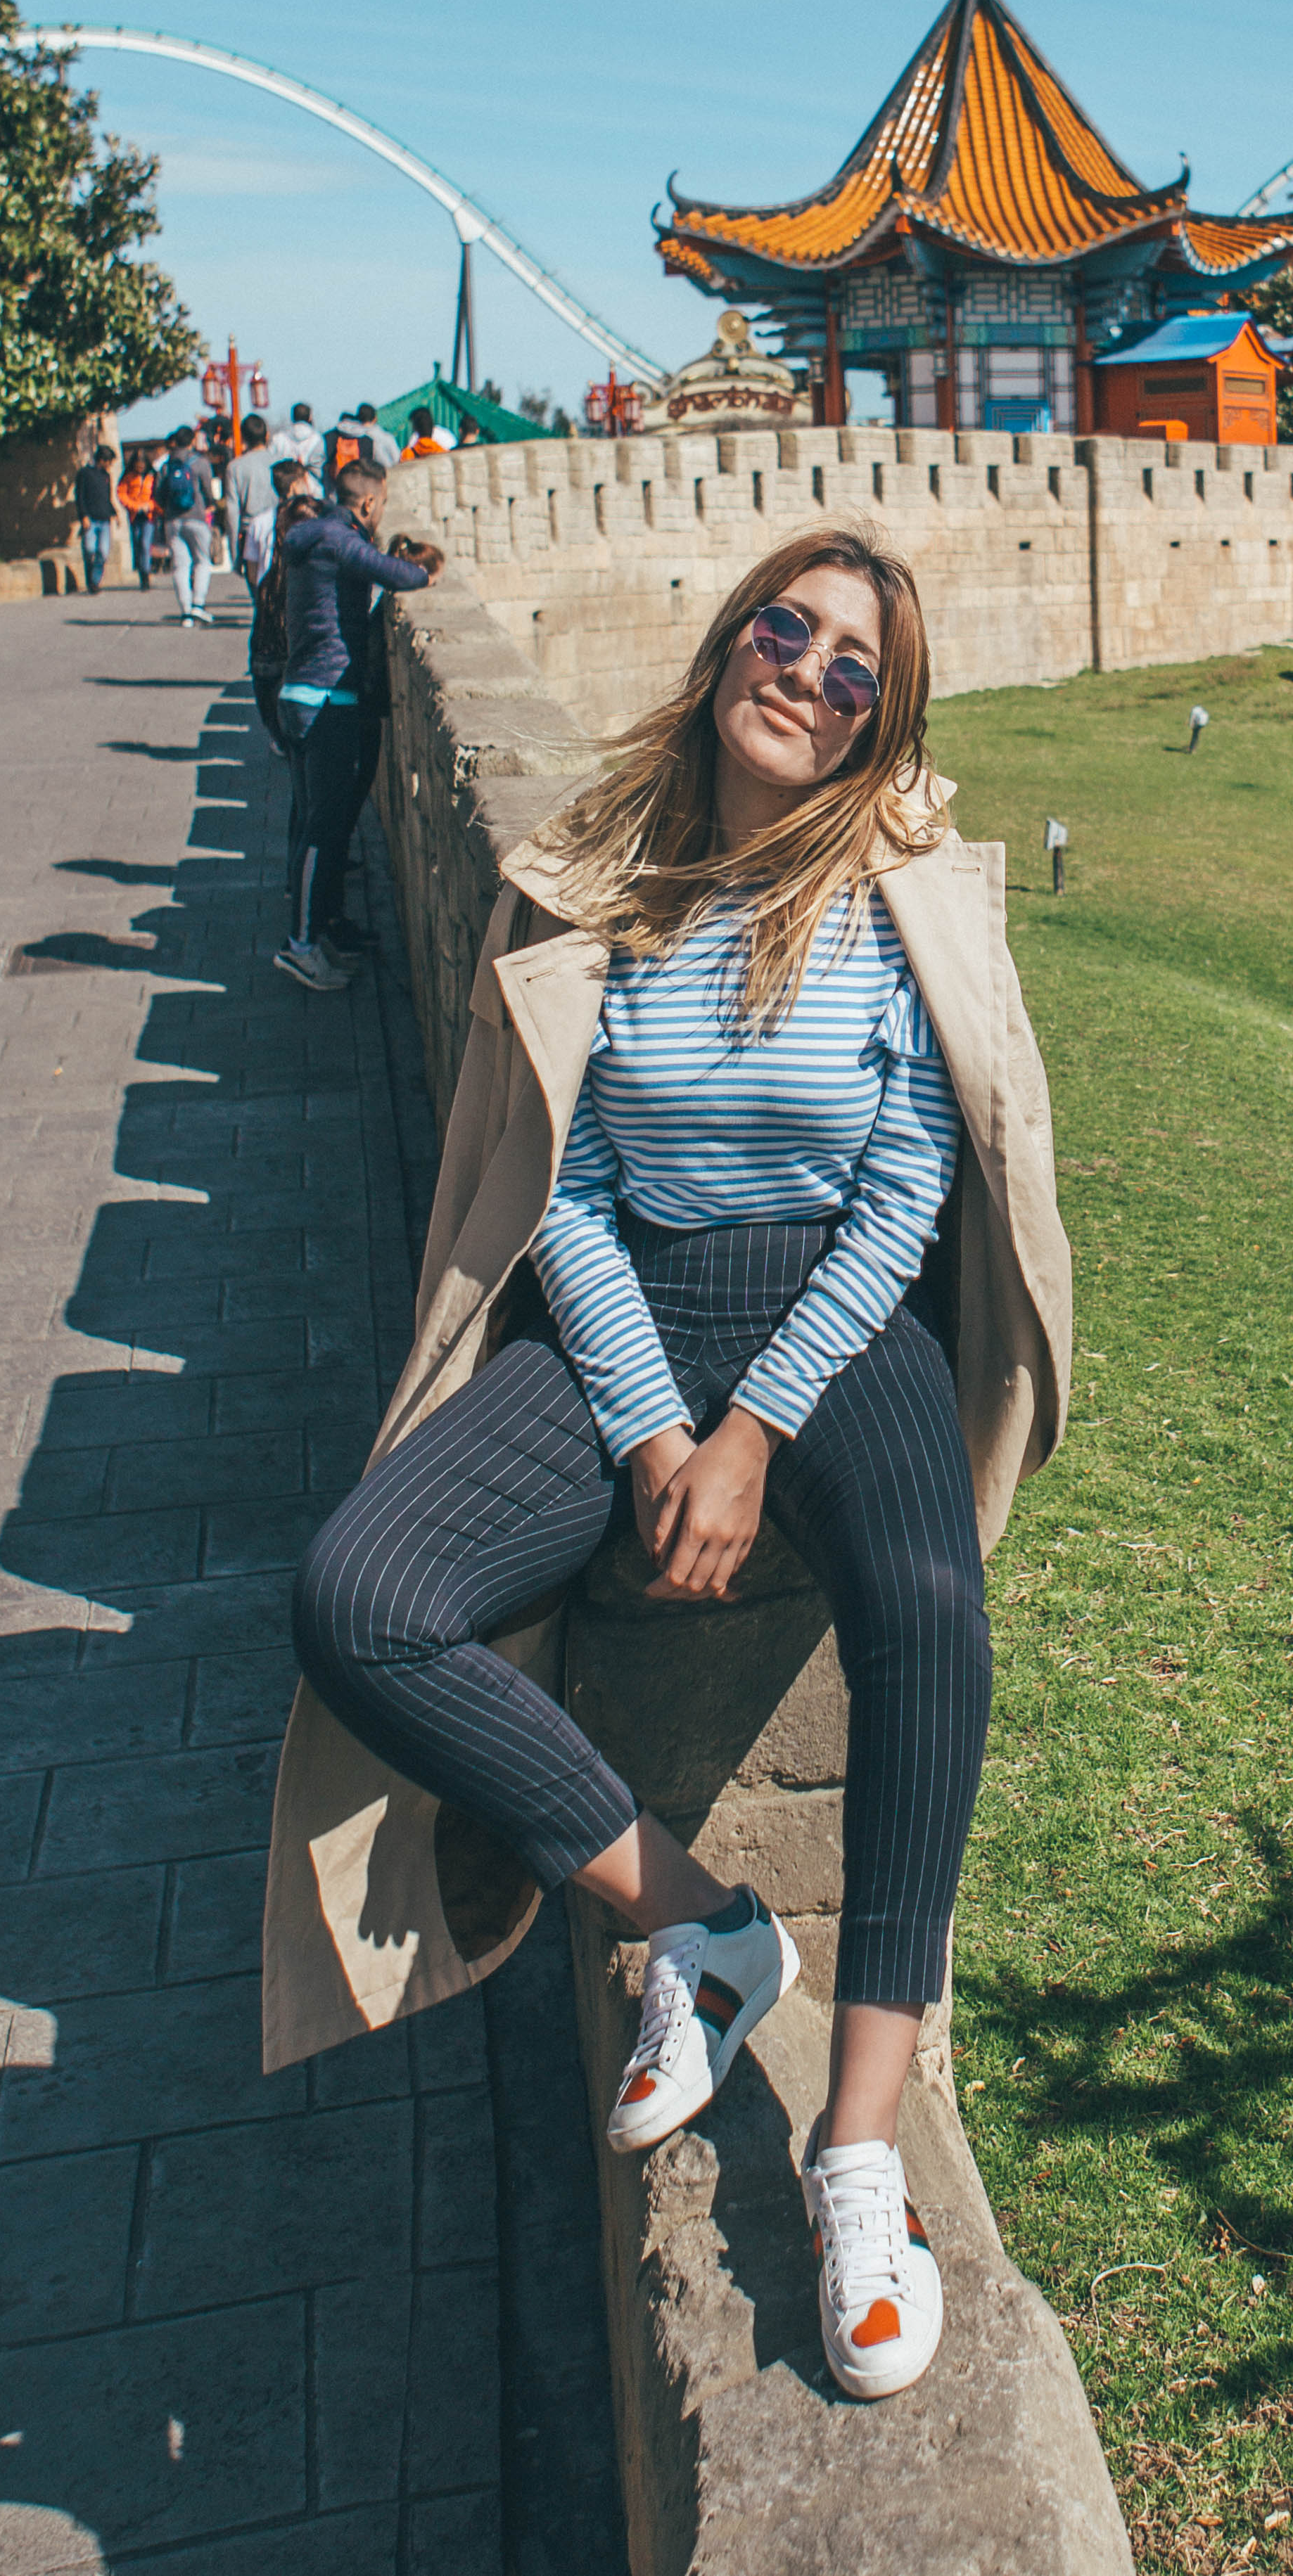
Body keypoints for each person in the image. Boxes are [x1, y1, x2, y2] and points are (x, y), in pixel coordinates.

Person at [277, 526, 1073, 2403]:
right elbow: (566, 1184)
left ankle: (858, 2144)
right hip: (623, 1311)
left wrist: (754, 1427)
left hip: (836, 1332)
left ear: (878, 721)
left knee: (931, 1616)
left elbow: (905, 1192)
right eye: (786, 628)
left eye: (854, 666)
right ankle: (702, 1929)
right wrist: (648, 1422)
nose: (807, 671)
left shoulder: (895, 896)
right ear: (728, 644)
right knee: (359, 1597)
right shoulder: (600, 872)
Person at [271, 459, 439, 987]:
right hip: (326, 700)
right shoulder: (339, 539)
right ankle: (299, 947)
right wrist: (427, 571)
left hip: (302, 693)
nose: (381, 512)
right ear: (368, 502)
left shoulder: (313, 537)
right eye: (382, 504)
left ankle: (317, 932)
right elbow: (401, 575)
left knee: (317, 822)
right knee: (322, 829)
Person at [246, 461, 312, 749]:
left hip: (269, 603)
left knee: (269, 672)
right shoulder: (312, 518)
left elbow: (252, 571)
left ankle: (280, 736)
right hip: (297, 601)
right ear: (297, 484)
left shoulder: (259, 522)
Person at [157, 425, 220, 626]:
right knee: (202, 561)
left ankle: (185, 613)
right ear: (192, 441)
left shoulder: (166, 466)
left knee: (180, 566)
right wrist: (210, 504)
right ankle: (198, 605)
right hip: (197, 518)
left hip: (173, 521)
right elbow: (208, 490)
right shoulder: (200, 462)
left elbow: (158, 495)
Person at [222, 412, 287, 584]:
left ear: (243, 438)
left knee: (257, 590)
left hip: (249, 533)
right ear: (267, 435)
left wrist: (235, 554)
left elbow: (232, 512)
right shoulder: (282, 462)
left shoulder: (235, 467)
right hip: (279, 529)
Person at [72, 445, 116, 594]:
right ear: (102, 460)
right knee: (90, 549)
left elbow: (107, 497)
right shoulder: (85, 473)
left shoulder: (106, 476)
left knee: (103, 552)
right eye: (109, 461)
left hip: (105, 520)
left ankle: (95, 581)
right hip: (90, 519)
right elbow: (80, 496)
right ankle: (91, 580)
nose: (110, 465)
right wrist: (83, 516)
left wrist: (114, 513)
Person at [115, 448, 157, 589]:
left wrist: (150, 506)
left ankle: (146, 573)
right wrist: (134, 506)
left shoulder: (153, 477)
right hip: (134, 516)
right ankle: (141, 571)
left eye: (142, 466)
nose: (140, 468)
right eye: (137, 466)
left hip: (149, 516)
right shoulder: (128, 477)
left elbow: (158, 495)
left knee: (145, 544)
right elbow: (122, 494)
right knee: (138, 544)